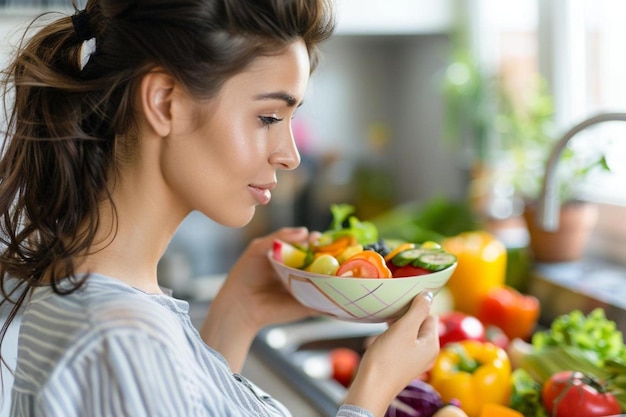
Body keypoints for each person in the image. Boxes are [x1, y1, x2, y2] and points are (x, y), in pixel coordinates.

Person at [0, 0, 440, 416]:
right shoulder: (120, 342)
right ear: (164, 102)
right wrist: (372, 392)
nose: (290, 155)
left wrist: (237, 315)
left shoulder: (101, 307)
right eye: (268, 118)